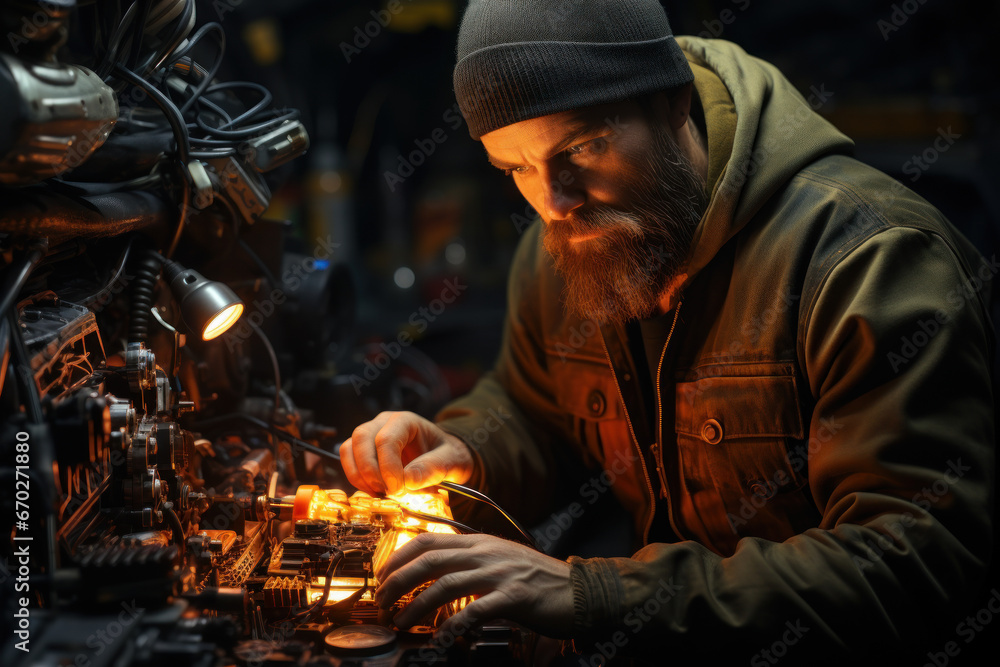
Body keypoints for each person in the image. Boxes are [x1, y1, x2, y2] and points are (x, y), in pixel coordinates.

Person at [339, 0, 996, 662]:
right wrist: (465, 452)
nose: (554, 201)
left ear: (673, 101)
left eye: (583, 145)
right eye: (516, 168)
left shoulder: (867, 261)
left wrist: (599, 595)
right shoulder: (561, 248)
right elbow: (537, 411)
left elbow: (913, 564)